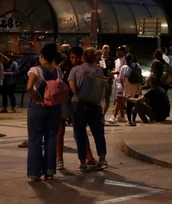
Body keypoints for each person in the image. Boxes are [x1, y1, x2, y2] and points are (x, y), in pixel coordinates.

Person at [25, 43, 68, 181]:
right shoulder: (58, 71)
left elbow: (29, 87)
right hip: (55, 108)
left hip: (38, 109)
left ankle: (34, 172)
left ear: (42, 56)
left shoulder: (35, 70)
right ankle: (49, 170)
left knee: (35, 140)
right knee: (51, 139)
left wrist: (37, 99)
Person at [68, 47, 109, 172]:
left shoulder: (75, 70)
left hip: (79, 104)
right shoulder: (99, 71)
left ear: (83, 57)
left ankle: (83, 163)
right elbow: (103, 89)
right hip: (95, 105)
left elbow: (72, 86)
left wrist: (78, 95)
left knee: (80, 133)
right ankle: (102, 159)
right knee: (98, 133)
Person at [119, 53, 143, 126]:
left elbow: (121, 79)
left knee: (129, 104)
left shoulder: (124, 67)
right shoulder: (137, 65)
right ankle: (134, 120)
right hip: (137, 86)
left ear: (126, 59)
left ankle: (129, 121)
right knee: (135, 103)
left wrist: (124, 88)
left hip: (128, 87)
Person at [107, 46, 128, 123]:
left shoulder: (125, 60)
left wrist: (115, 72)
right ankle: (122, 116)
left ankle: (114, 116)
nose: (117, 52)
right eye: (117, 50)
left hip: (122, 82)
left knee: (118, 99)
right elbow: (116, 70)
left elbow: (123, 71)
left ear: (123, 52)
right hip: (116, 81)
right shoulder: (116, 61)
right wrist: (113, 72)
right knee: (119, 99)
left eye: (119, 51)